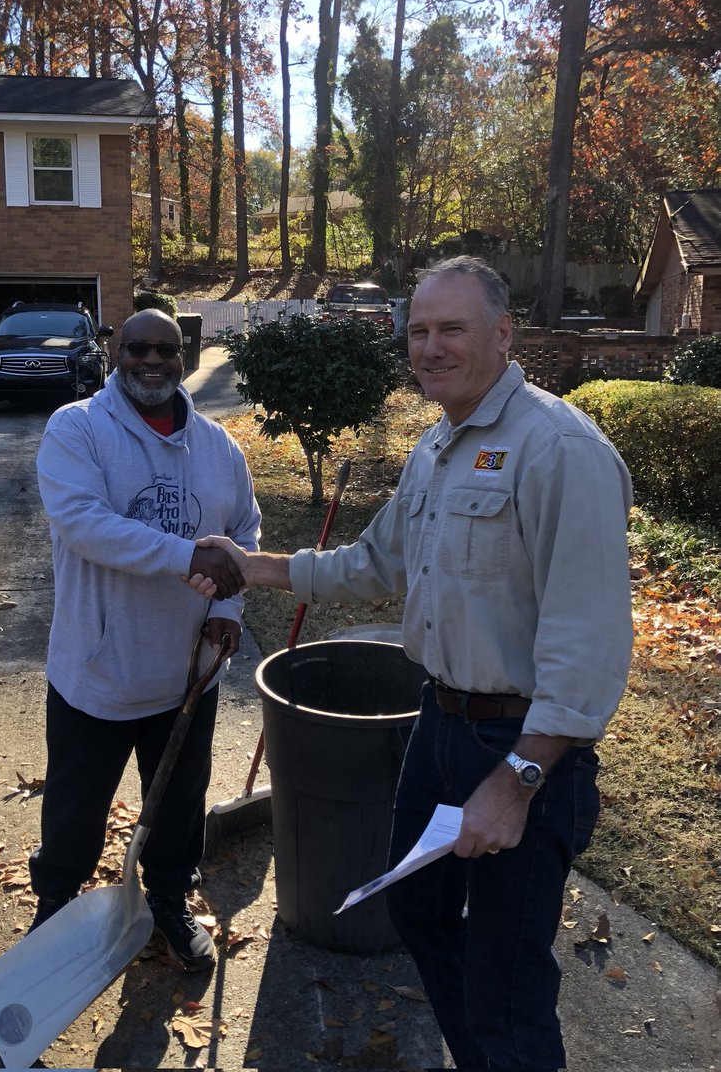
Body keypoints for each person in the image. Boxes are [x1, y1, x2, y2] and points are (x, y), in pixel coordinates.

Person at [188, 258, 633, 1069]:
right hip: (440, 726)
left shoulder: (559, 450)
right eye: (419, 330)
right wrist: (255, 566)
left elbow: (590, 639)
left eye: (451, 329)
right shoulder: (438, 445)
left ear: (503, 335)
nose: (429, 347)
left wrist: (519, 780)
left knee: (506, 978)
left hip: (522, 749)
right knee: (421, 912)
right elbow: (376, 563)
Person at [29, 308, 257, 973]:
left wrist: (232, 610)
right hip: (98, 670)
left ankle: (166, 900)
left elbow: (244, 532)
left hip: (189, 672)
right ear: (115, 353)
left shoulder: (219, 445)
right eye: (137, 349)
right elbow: (84, 525)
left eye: (165, 349)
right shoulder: (78, 430)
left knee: (179, 804)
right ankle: (54, 909)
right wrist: (188, 553)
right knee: (75, 809)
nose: (151, 361)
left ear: (184, 354)